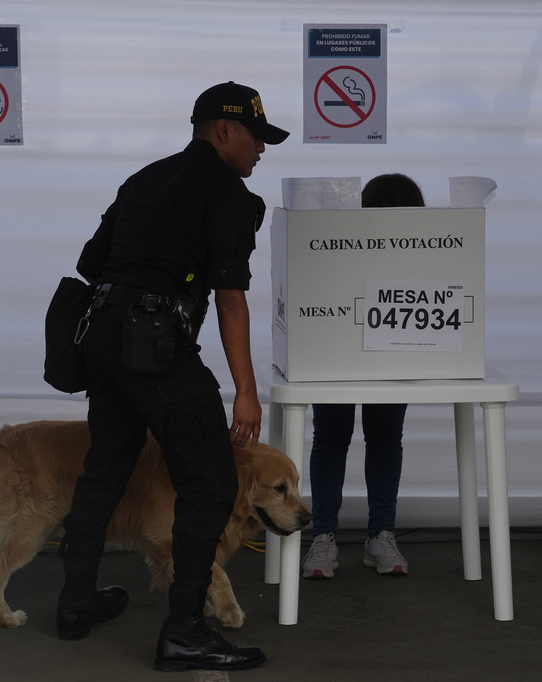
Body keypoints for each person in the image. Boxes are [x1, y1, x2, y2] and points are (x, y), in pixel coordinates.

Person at [56, 81, 288, 673]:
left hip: (102, 338)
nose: (262, 149)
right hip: (155, 344)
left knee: (106, 468)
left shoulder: (145, 179)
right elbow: (230, 298)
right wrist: (246, 391)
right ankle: (185, 631)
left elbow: (90, 264)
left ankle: (76, 603)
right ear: (224, 130)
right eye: (256, 136)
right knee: (211, 482)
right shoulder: (226, 191)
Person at [301, 173, 424, 580]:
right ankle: (325, 536)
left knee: (379, 438)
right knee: (335, 437)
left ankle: (378, 535)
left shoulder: (426, 255)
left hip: (390, 355)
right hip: (335, 353)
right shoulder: (337, 247)